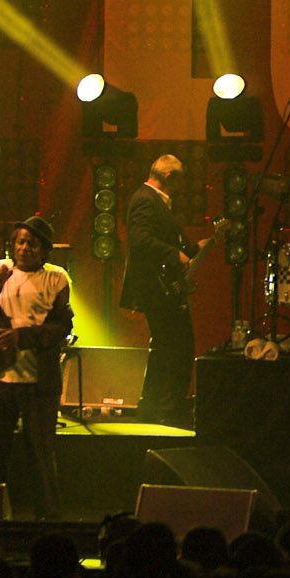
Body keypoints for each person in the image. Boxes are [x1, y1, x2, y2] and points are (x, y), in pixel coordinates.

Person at [0, 214, 72, 518]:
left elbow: (62, 327)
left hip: (38, 381)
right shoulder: (0, 272)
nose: (24, 248)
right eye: (20, 242)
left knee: (40, 451)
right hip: (1, 377)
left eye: (32, 244)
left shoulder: (55, 277)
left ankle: (47, 516)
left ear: (43, 250)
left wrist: (22, 337)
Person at [121, 154, 198, 427]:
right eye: (180, 179)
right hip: (155, 288)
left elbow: (158, 238)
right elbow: (140, 240)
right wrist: (175, 254)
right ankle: (166, 406)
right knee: (176, 345)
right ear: (169, 177)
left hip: (161, 287)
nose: (182, 186)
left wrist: (193, 248)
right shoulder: (146, 199)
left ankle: (156, 406)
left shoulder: (154, 201)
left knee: (168, 346)